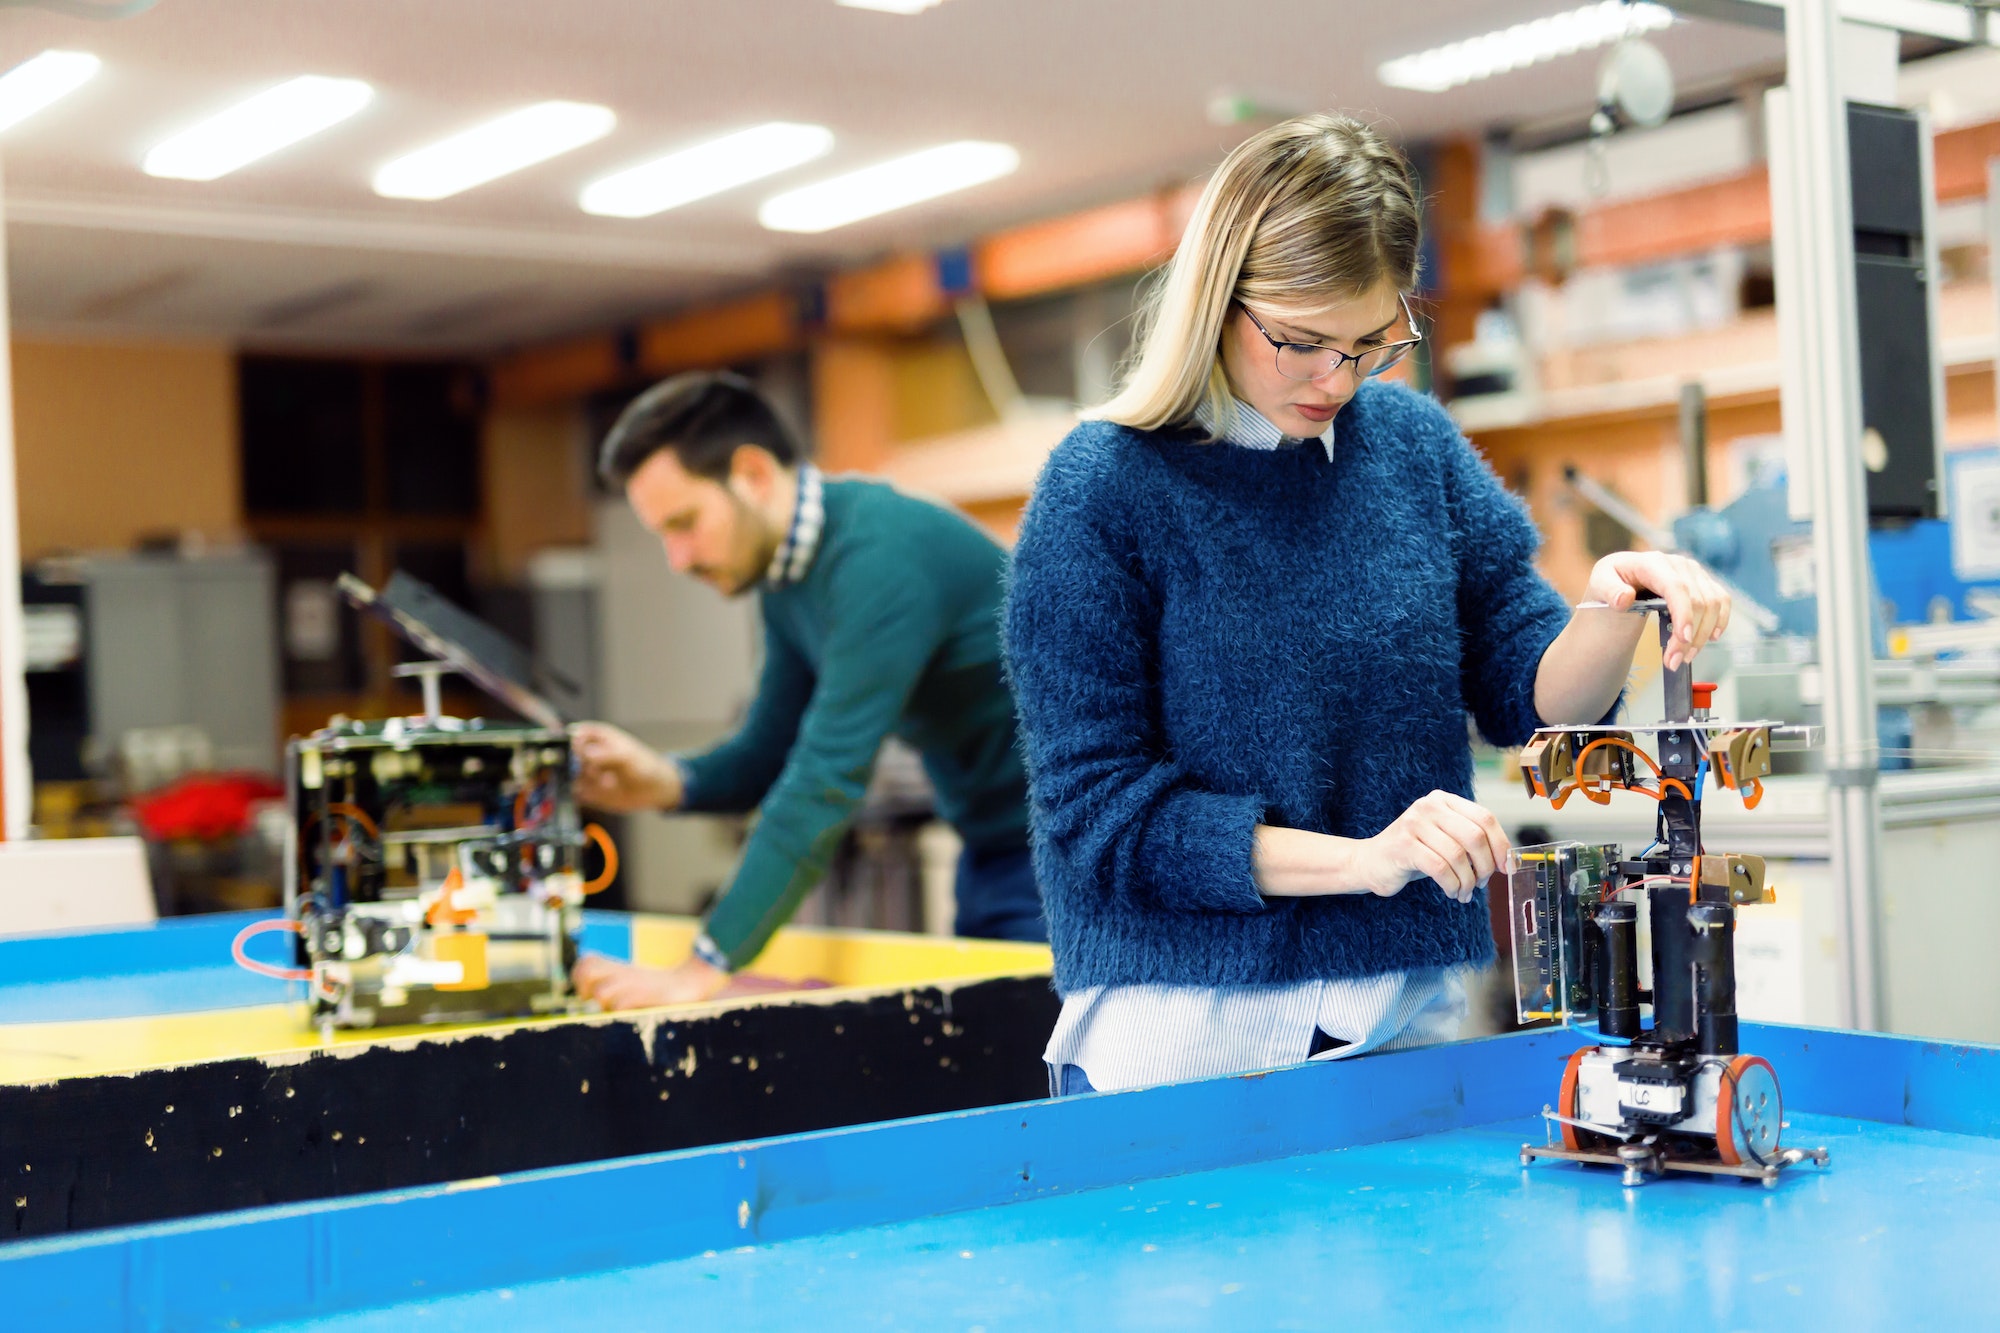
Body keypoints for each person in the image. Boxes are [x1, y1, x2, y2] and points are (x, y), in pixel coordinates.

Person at [1003, 115, 1730, 1096]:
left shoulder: (1409, 447)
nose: (1333, 379)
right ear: (1216, 300)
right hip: (1185, 1043)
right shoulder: (1101, 485)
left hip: (1402, 1018)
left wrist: (1609, 610)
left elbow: (1528, 690)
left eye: (1369, 343)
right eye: (1298, 342)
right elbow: (1100, 819)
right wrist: (1363, 860)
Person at [569, 372, 1044, 1010]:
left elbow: (823, 783)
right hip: (992, 846)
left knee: (1037, 1070)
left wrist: (698, 971)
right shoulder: (789, 580)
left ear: (754, 474)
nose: (677, 559)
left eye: (685, 523)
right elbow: (767, 752)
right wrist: (665, 779)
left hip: (1074, 850)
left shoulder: (875, 559)